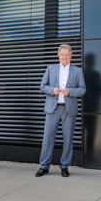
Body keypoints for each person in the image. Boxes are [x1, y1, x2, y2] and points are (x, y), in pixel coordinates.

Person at [35, 44, 86, 178]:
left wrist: (71, 91)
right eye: (62, 55)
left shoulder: (78, 71)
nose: (65, 57)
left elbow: (82, 89)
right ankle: (44, 166)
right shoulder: (50, 69)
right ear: (58, 56)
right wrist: (52, 90)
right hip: (53, 108)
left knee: (68, 139)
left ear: (71, 56)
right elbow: (42, 86)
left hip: (69, 109)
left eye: (67, 55)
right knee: (47, 138)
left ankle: (64, 166)